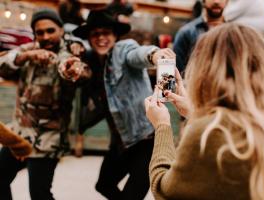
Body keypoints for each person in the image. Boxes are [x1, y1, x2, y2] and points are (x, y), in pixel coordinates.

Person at [145, 23, 264, 199]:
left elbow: (164, 192)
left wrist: (162, 125)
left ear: (205, 72)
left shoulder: (209, 134)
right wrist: (196, 112)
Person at [72, 9, 175, 200]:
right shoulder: (92, 60)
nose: (101, 38)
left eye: (106, 33)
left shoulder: (123, 49)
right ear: (89, 38)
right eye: (95, 34)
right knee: (103, 185)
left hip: (145, 140)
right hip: (120, 142)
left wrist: (155, 54)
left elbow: (137, 54)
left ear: (115, 35)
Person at [0, 8, 91, 200]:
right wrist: (28, 56)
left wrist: (72, 70)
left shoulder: (70, 50)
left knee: (39, 194)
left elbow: (76, 69)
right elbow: (3, 66)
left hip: (49, 137)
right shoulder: (30, 48)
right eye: (40, 32)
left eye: (51, 30)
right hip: (20, 130)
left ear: (61, 30)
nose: (46, 36)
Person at [173, 0, 228, 72]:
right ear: (203, 1)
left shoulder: (235, 34)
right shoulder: (186, 32)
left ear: (227, 1)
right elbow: (178, 71)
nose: (216, 1)